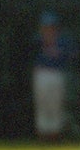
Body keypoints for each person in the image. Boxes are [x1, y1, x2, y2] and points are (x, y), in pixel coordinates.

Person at [32, 12, 75, 141]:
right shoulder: (36, 40)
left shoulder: (64, 41)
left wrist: (59, 53)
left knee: (56, 104)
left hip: (57, 73)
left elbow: (72, 56)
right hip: (41, 73)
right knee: (42, 103)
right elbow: (28, 55)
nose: (48, 29)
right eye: (45, 26)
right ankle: (42, 134)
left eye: (51, 26)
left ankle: (55, 134)